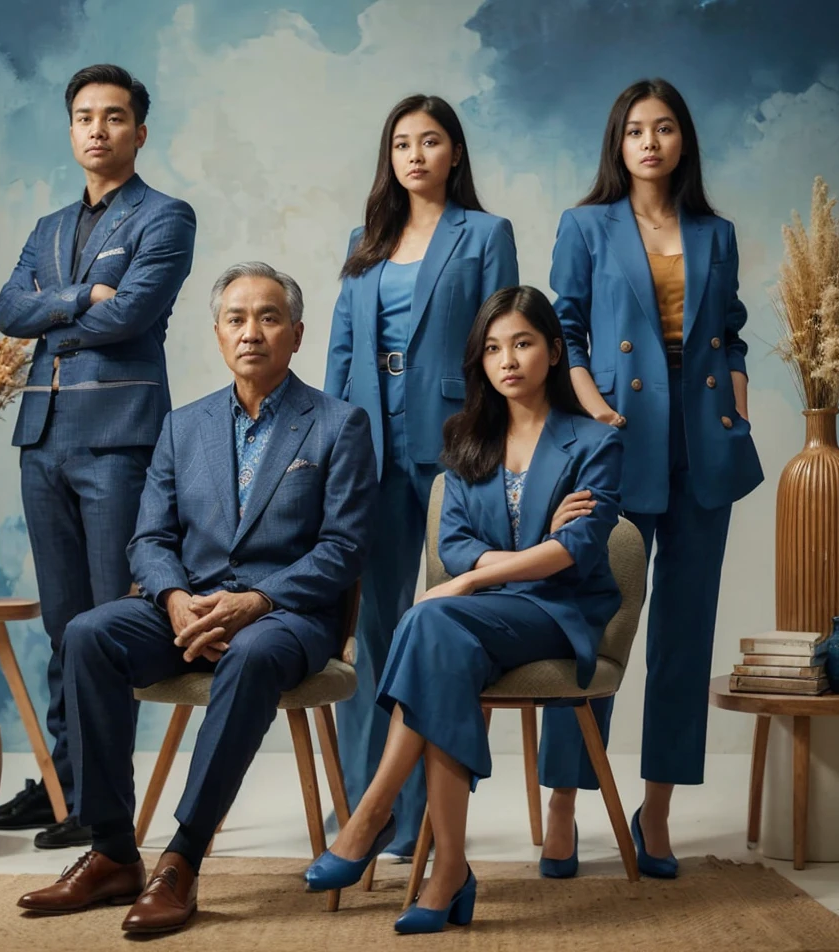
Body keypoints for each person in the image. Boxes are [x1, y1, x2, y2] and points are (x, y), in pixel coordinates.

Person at [16, 262, 378, 935]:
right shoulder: (184, 426)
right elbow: (149, 537)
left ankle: (181, 858)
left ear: (297, 335)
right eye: (236, 319)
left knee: (252, 655)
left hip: (289, 619)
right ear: (217, 334)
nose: (252, 332)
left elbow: (343, 550)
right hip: (188, 608)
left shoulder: (338, 425)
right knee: (88, 635)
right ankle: (112, 850)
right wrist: (178, 599)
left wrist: (257, 602)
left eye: (269, 317)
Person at [306, 286, 622, 933]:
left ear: (555, 351)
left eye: (525, 343)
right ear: (479, 362)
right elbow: (452, 541)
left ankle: (371, 816)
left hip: (557, 617)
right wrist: (519, 557)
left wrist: (473, 579)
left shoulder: (594, 442)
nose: (508, 360)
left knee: (430, 618)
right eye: (493, 348)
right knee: (438, 642)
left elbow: (576, 551)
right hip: (483, 622)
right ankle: (448, 869)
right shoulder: (466, 439)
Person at [542, 78, 764, 878]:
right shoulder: (586, 226)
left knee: (682, 636)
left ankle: (657, 809)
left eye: (664, 127)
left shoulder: (716, 231)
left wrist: (737, 403)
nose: (649, 141)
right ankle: (565, 801)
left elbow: (732, 334)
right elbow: (562, 329)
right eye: (636, 129)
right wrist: (596, 410)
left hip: (702, 444)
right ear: (619, 142)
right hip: (616, 440)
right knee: (590, 624)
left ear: (682, 142)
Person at [0, 63, 197, 848]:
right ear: (70, 130)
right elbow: (9, 311)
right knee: (60, 624)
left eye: (114, 117)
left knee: (108, 628)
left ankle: (101, 807)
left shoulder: (165, 215)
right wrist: (81, 300)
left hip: (119, 440)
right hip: (41, 439)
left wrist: (54, 316)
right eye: (84, 117)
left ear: (139, 132)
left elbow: (138, 311)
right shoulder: (46, 225)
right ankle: (61, 786)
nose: (98, 129)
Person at [324, 94, 519, 856]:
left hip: (454, 442)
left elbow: (505, 337)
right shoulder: (365, 241)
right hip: (368, 443)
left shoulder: (485, 234)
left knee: (436, 623)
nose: (415, 155)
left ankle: (426, 819)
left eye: (430, 141)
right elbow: (342, 352)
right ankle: (363, 812)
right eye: (402, 142)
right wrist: (331, 446)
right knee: (371, 628)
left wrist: (495, 440)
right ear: (390, 157)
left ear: (454, 154)